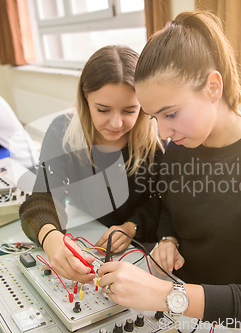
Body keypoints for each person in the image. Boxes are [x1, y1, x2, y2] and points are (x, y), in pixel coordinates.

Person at [96, 11, 241, 333]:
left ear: (213, 87)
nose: (163, 132)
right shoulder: (179, 150)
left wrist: (167, 294)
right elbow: (169, 207)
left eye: (171, 113)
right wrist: (168, 237)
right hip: (182, 311)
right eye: (154, 118)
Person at [19, 45, 163, 283]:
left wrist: (131, 227)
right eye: (103, 109)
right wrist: (51, 237)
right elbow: (42, 198)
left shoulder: (155, 141)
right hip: (89, 238)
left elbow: (161, 204)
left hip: (138, 251)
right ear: (86, 97)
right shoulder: (61, 131)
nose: (116, 123)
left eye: (130, 110)